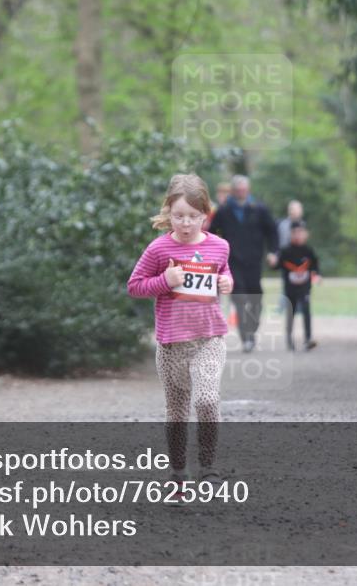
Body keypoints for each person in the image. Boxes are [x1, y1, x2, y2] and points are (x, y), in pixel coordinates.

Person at [127, 174, 234, 500]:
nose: (185, 223)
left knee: (206, 399)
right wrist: (165, 280)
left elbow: (223, 271)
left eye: (193, 216)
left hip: (209, 339)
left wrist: (227, 282)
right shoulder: (159, 248)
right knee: (176, 412)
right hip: (172, 345)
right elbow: (135, 286)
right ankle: (177, 473)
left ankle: (209, 469)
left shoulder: (219, 246)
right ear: (168, 213)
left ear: (205, 215)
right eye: (178, 216)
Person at [209, 175, 278, 353]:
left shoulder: (259, 209)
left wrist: (273, 252)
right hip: (232, 262)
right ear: (233, 191)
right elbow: (212, 233)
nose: (240, 193)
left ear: (248, 190)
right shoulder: (224, 211)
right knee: (239, 298)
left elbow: (272, 231)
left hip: (254, 261)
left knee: (256, 298)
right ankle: (246, 338)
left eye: (243, 190)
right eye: (237, 190)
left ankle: (252, 327)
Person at [273, 220, 319, 351]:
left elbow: (315, 265)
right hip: (290, 289)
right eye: (295, 233)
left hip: (304, 288)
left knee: (306, 309)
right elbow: (277, 266)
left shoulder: (308, 250)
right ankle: (289, 338)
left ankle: (308, 338)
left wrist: (317, 274)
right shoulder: (286, 251)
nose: (298, 235)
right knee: (291, 313)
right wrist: (273, 262)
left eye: (300, 232)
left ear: (306, 234)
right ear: (290, 234)